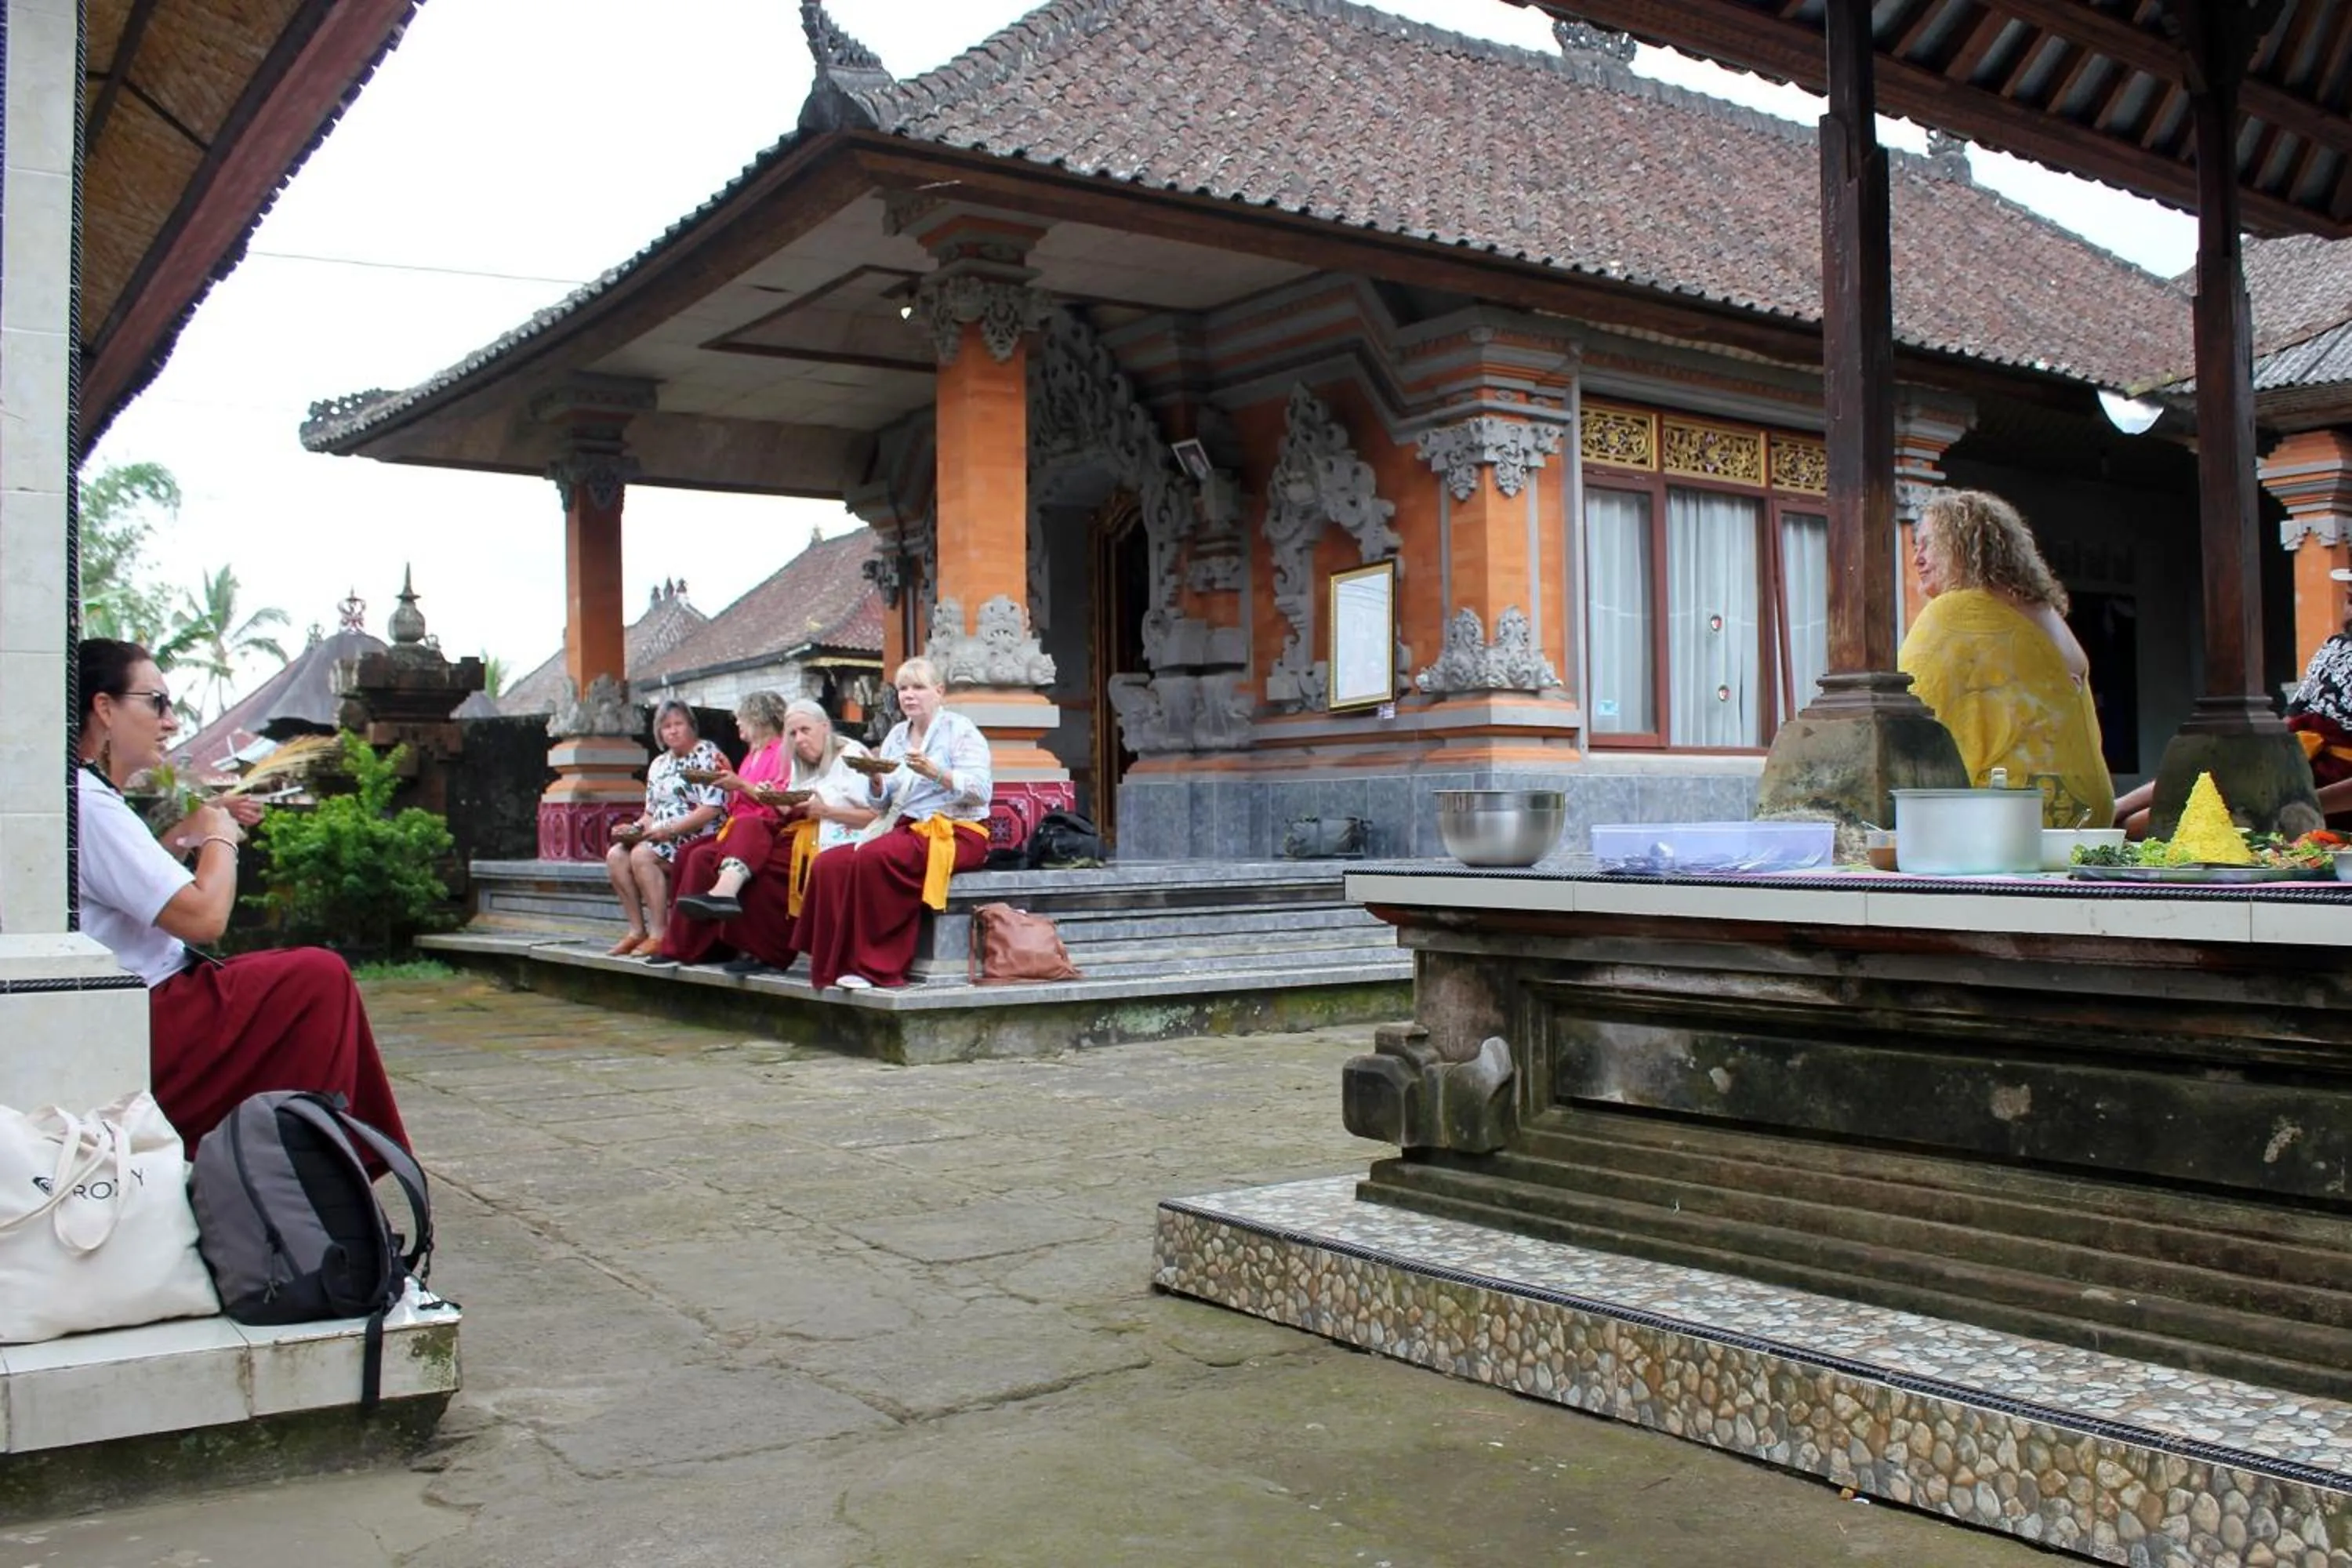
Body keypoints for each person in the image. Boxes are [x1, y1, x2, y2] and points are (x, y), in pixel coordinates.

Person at [73, 637, 410, 1152]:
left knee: (300, 980)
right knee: (317, 978)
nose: (170, 722)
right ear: (104, 707)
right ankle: (315, 1162)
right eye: (156, 703)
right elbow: (204, 919)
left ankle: (318, 1159)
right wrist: (219, 837)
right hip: (147, 1014)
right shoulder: (90, 803)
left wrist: (192, 830)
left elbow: (137, 888)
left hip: (150, 999)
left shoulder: (84, 795)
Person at [1897, 490, 2114, 829]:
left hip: (2011, 814)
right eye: (1916, 546)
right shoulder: (2045, 612)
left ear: (1962, 546)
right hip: (2088, 810)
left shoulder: (1956, 612)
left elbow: (1909, 713)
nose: (1917, 559)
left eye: (1928, 544)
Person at [793, 658, 993, 990]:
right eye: (903, 689)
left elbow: (981, 791)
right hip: (905, 826)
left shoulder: (960, 730)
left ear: (939, 691)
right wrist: (875, 780)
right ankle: (832, 961)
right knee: (830, 863)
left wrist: (936, 773)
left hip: (958, 831)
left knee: (874, 856)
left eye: (918, 687)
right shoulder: (898, 736)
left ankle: (874, 967)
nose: (909, 695)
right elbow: (882, 803)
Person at [2116, 563, 2352, 833]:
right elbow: (2292, 718)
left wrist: (2300, 804)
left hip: (2328, 792)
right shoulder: (2336, 647)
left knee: (2151, 826)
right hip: (2291, 762)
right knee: (2217, 767)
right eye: (2348, 600)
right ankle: (2116, 808)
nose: (2347, 612)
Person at [693, 699, 881, 977]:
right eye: (792, 734)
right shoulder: (799, 761)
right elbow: (792, 805)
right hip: (803, 830)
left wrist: (827, 811)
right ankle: (737, 915)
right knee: (751, 842)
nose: (799, 739)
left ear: (825, 726)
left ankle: (769, 951)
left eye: (805, 730)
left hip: (840, 836)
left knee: (769, 869)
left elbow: (875, 815)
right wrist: (776, 798)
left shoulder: (851, 756)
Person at [644, 689, 789, 968]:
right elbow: (740, 800)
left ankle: (711, 942)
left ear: (757, 718)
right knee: (689, 854)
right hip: (739, 828)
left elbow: (778, 801)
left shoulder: (781, 751)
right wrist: (731, 777)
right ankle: (687, 946)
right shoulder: (752, 755)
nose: (737, 723)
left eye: (741, 718)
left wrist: (739, 783)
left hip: (766, 830)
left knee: (702, 855)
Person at [601, 699, 725, 956]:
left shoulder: (707, 755)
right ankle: (637, 931)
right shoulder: (659, 764)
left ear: (691, 726)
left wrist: (671, 830)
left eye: (678, 724)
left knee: (642, 854)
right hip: (659, 835)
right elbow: (650, 813)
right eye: (666, 726)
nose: (673, 731)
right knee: (616, 856)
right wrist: (634, 830)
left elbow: (712, 807)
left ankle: (660, 933)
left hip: (698, 834)